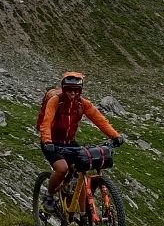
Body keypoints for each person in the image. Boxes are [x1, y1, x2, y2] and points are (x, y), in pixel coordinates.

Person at [39, 71, 123, 210]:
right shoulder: (55, 101)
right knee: (62, 168)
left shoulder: (83, 104)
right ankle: (49, 195)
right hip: (52, 143)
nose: (73, 94)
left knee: (81, 173)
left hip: (69, 142)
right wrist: (47, 141)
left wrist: (115, 136)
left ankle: (84, 215)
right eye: (69, 90)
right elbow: (46, 122)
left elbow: (99, 120)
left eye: (76, 90)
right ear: (64, 89)